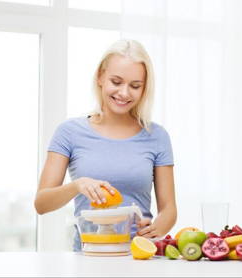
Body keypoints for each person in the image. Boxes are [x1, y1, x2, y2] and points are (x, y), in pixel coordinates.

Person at [34, 39, 177, 251]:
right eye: (116, 82)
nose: (124, 93)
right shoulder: (69, 132)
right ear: (100, 77)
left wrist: (156, 228)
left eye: (135, 86)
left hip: (139, 256)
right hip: (87, 255)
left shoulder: (157, 136)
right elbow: (42, 203)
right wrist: (77, 185)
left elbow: (169, 209)